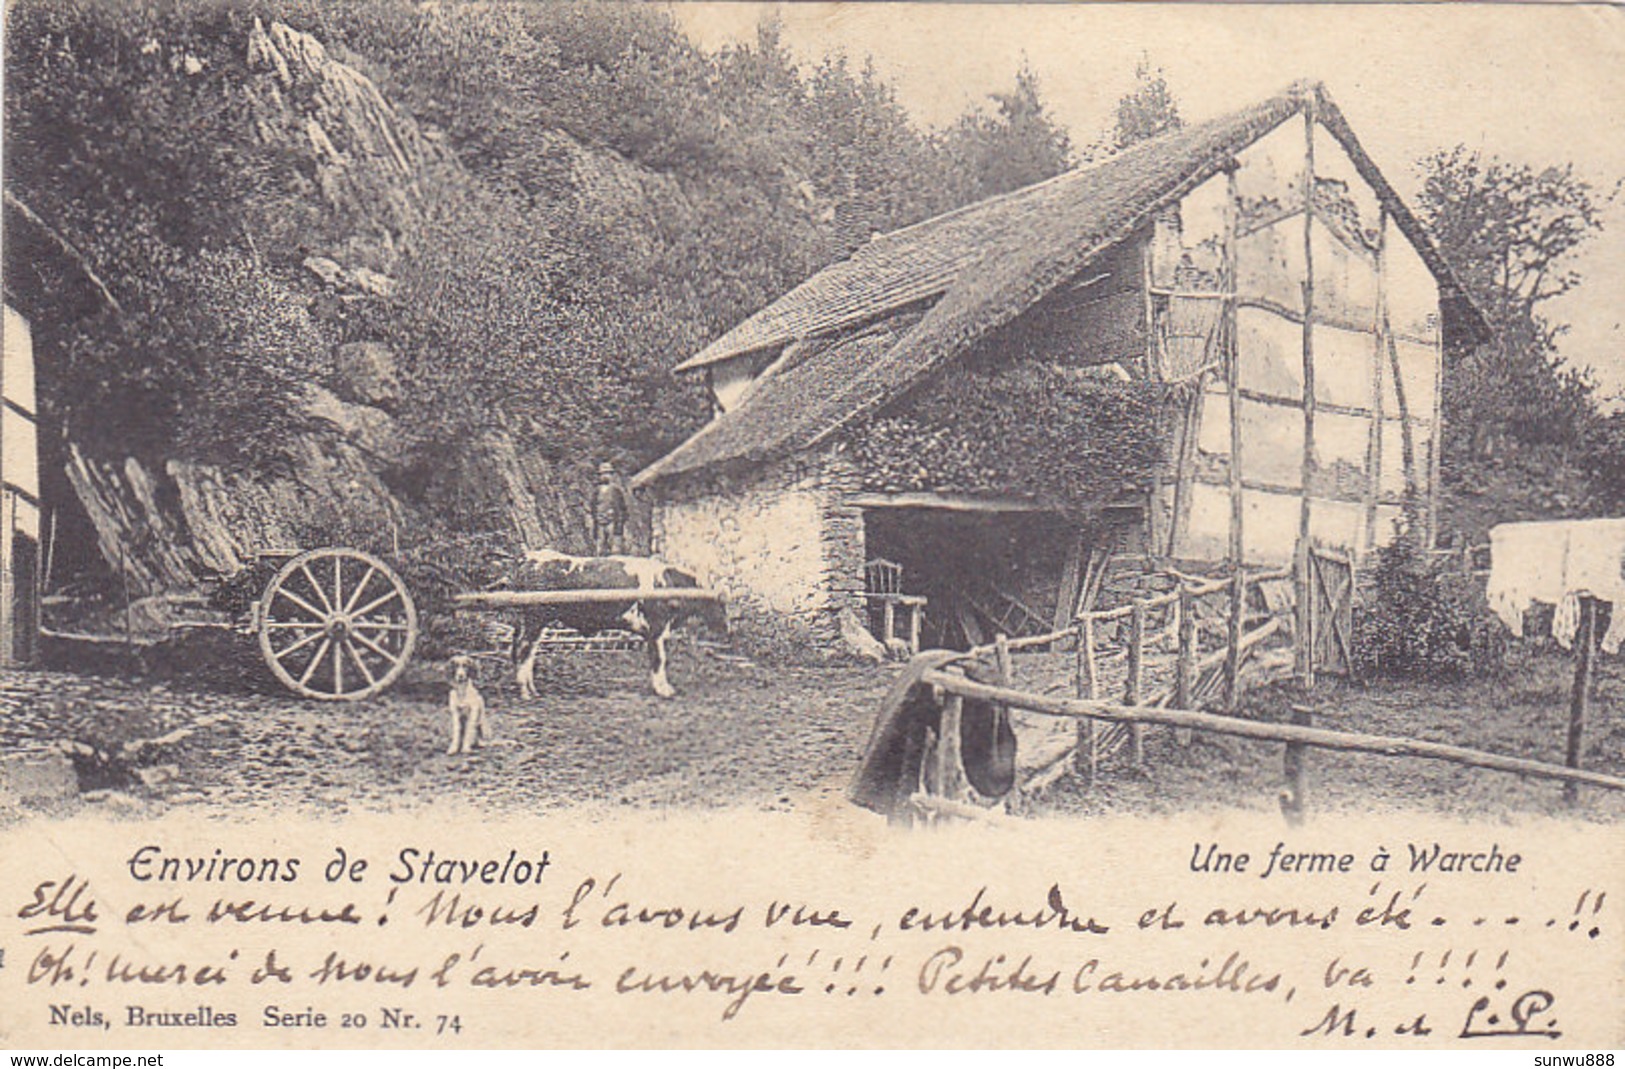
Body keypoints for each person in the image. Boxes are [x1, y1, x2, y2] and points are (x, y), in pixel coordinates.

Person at [592, 461, 631, 556]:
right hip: (600, 520)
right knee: (600, 545)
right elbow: (593, 506)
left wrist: (621, 520)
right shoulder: (596, 491)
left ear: (612, 475)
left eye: (608, 473)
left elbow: (623, 507)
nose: (605, 476)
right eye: (603, 474)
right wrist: (596, 517)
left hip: (613, 520)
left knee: (614, 545)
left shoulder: (616, 490)